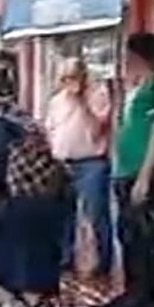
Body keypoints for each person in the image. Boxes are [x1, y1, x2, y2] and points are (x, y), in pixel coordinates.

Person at [0, 64, 70, 307]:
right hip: (49, 196)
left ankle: (33, 303)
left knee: (14, 251)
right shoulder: (23, 120)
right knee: (42, 250)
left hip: (19, 200)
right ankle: (46, 300)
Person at [96, 33, 154, 307]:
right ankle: (130, 292)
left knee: (143, 239)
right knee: (127, 236)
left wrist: (145, 176)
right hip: (124, 169)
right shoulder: (136, 86)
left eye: (132, 57)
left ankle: (143, 300)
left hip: (141, 173)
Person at [44, 57, 113, 279]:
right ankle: (64, 259)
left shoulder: (97, 96)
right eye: (64, 78)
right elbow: (50, 129)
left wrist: (81, 102)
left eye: (73, 77)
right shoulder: (56, 101)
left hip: (91, 162)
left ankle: (104, 261)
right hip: (62, 162)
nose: (69, 83)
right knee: (64, 214)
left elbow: (97, 129)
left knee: (96, 213)